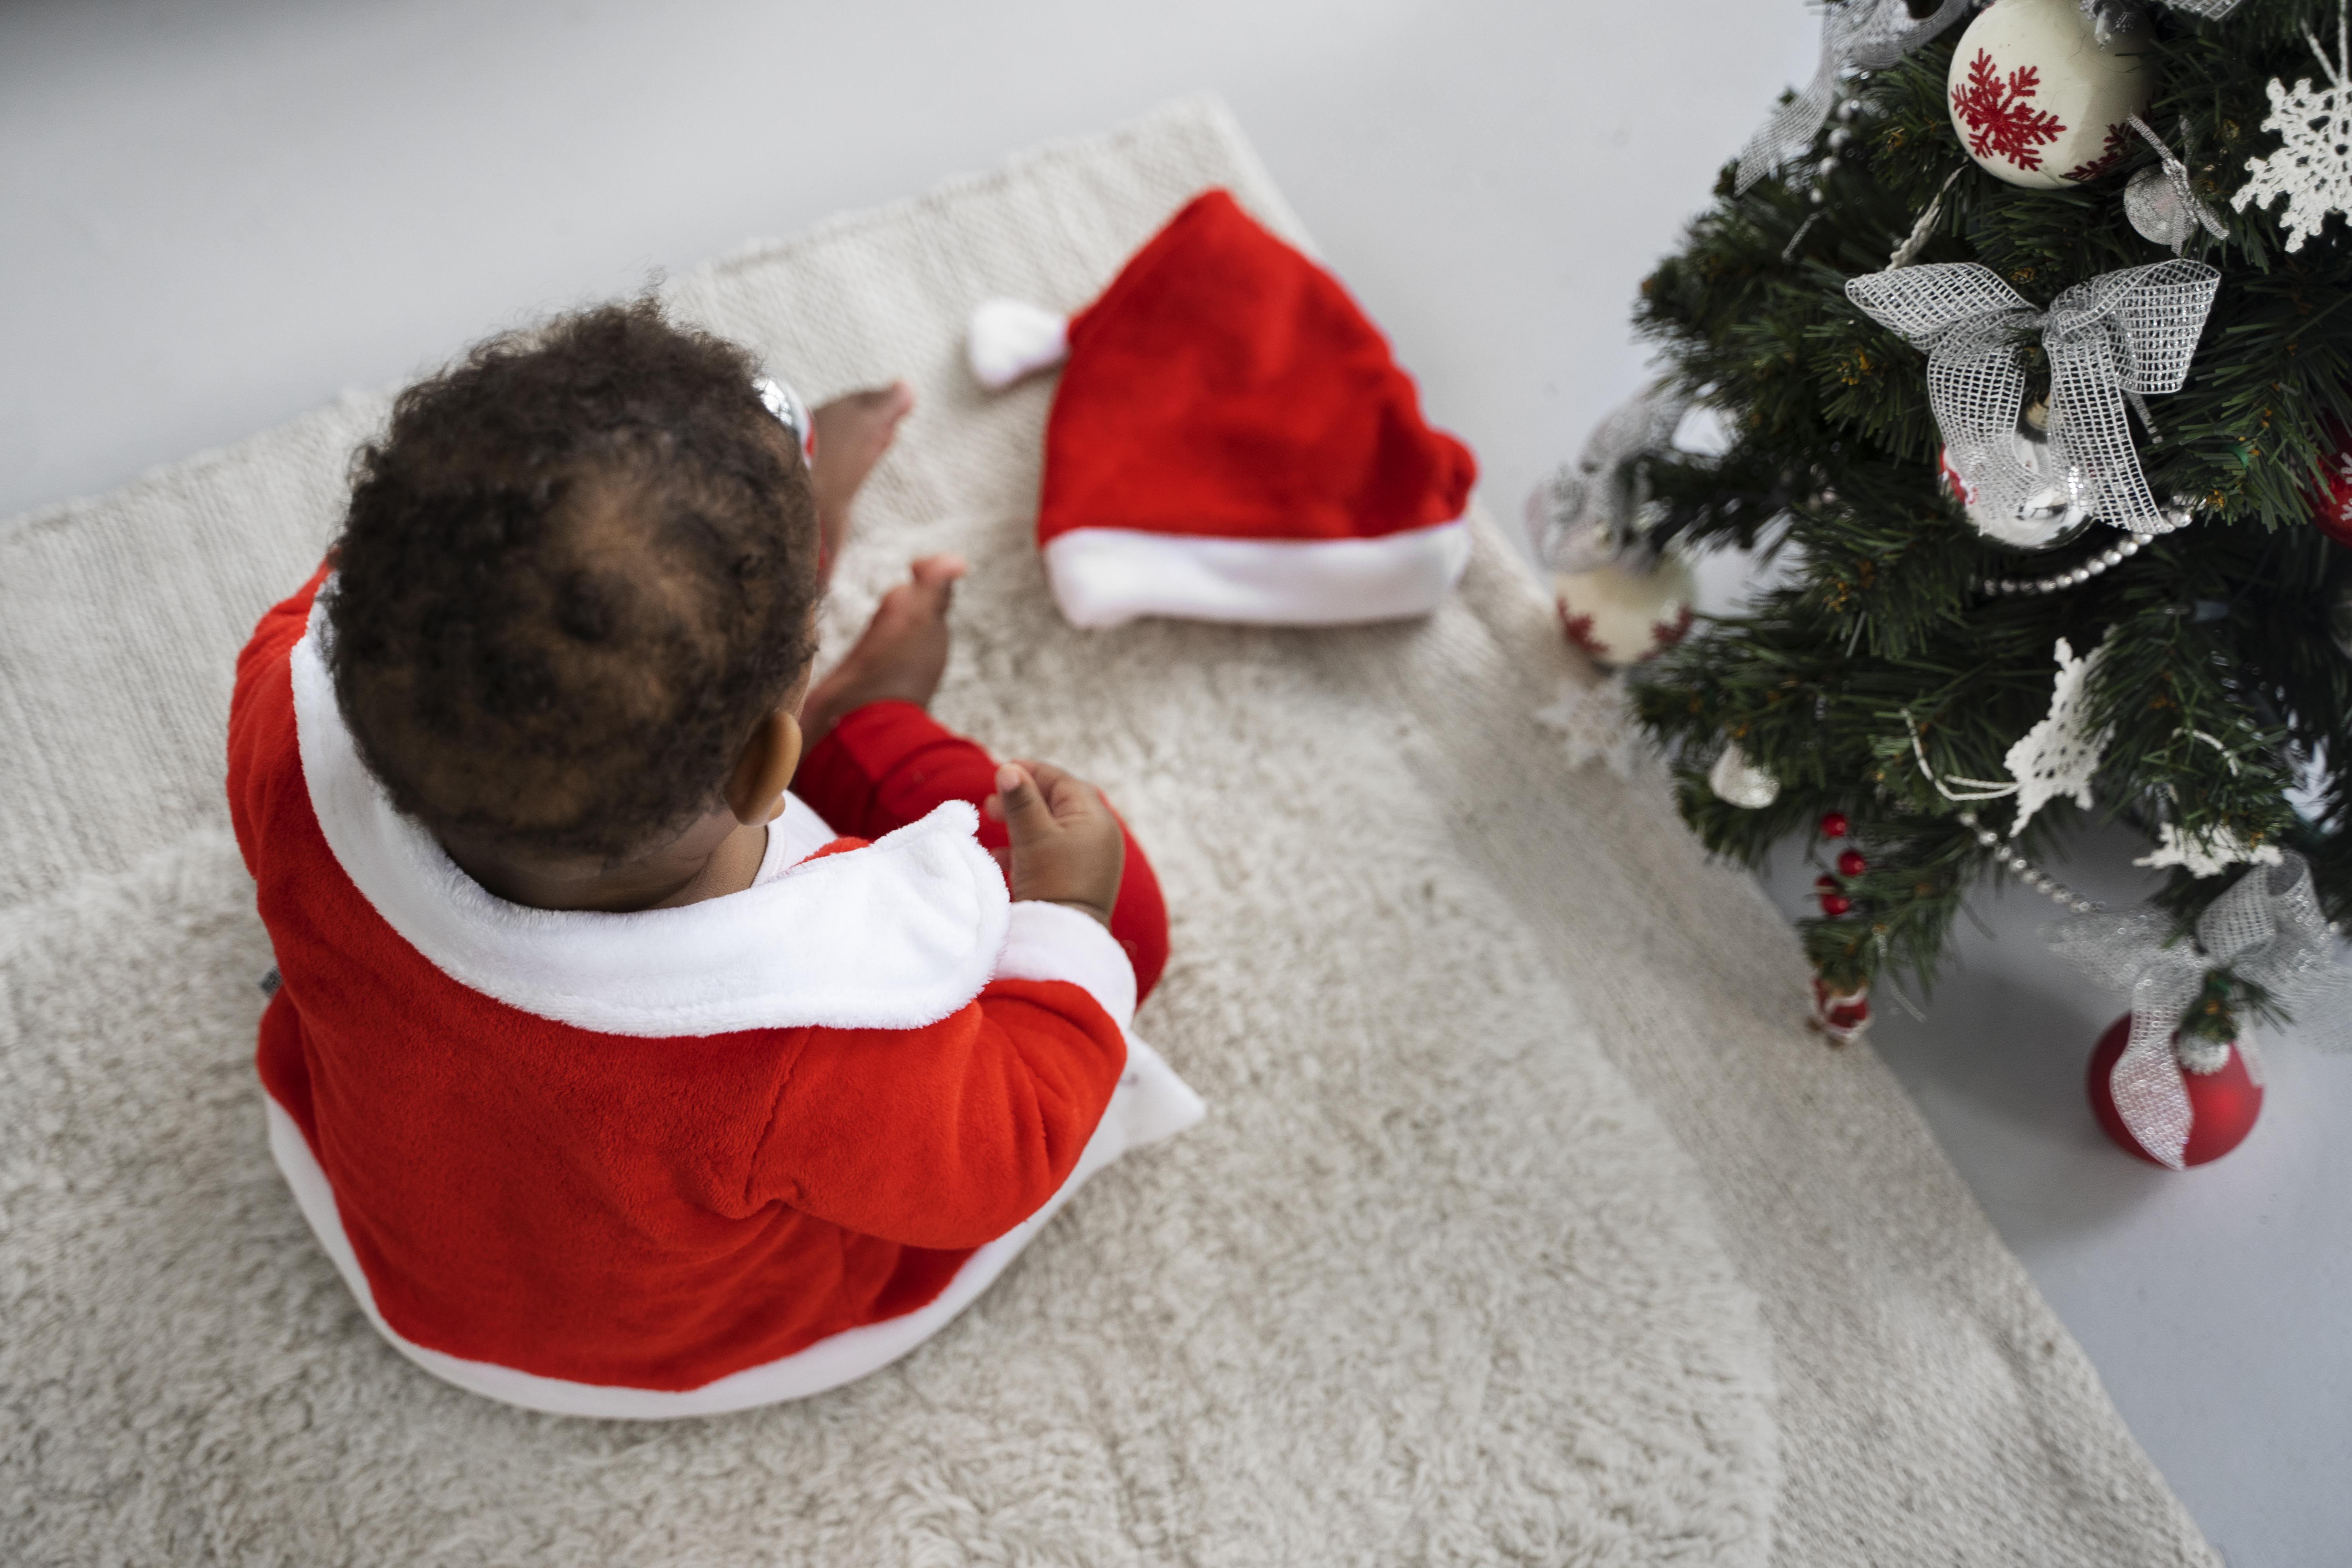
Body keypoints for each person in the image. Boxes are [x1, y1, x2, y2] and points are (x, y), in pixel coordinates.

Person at [227, 298, 1201, 1419]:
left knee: (598, 580)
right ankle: (871, 726)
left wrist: (747, 513)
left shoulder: (281, 711)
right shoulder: (806, 1030)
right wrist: (1067, 918)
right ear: (764, 774)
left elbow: (413, 567)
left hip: (401, 1230)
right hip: (669, 1342)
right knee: (1122, 918)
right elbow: (1009, 1147)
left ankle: (778, 581)